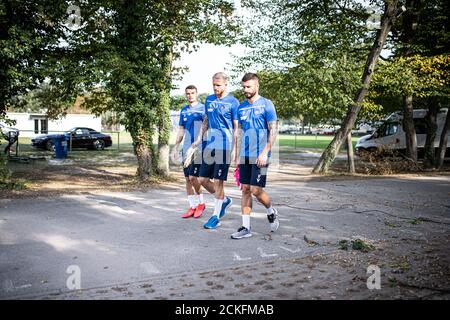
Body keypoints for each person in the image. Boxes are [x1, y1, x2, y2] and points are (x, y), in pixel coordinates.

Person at [231, 72, 279, 239]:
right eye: (244, 86)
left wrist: (265, 152)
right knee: (245, 189)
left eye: (249, 86)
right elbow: (238, 133)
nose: (246, 89)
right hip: (244, 154)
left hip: (261, 155)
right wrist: (236, 156)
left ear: (257, 86)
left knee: (256, 190)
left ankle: (271, 211)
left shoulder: (267, 104)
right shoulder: (241, 107)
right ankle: (245, 227)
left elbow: (273, 130)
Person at [193, 72, 240, 229]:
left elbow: (236, 127)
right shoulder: (209, 99)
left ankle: (215, 216)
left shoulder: (233, 102)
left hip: (225, 146)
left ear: (226, 85)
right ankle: (225, 200)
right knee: (202, 179)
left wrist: (235, 149)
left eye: (218, 85)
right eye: (213, 84)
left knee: (219, 182)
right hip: (209, 144)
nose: (215, 87)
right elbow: (206, 120)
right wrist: (200, 137)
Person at [172, 85, 206, 219]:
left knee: (194, 177)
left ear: (197, 93)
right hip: (186, 148)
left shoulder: (203, 109)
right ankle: (192, 206)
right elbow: (181, 129)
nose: (190, 95)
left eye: (192, 93)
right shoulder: (184, 110)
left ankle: (201, 203)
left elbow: (207, 127)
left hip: (198, 148)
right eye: (187, 93)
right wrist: (176, 146)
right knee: (187, 179)